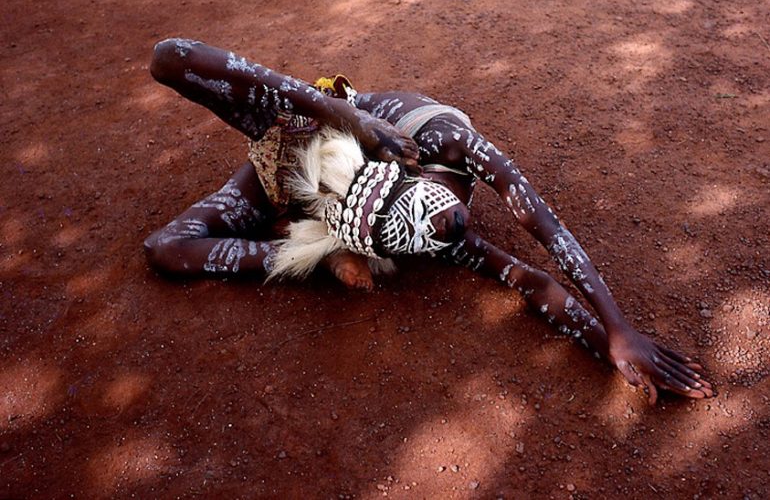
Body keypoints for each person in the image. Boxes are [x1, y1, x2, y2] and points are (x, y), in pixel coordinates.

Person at [144, 38, 714, 405]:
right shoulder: (442, 213)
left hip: (314, 152)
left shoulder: (442, 149)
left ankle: (319, 244)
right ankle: (321, 246)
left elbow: (539, 242)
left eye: (441, 230)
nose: (462, 231)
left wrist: (613, 334)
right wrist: (611, 335)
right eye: (452, 230)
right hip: (314, 149)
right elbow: (171, 57)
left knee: (173, 244)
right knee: (166, 248)